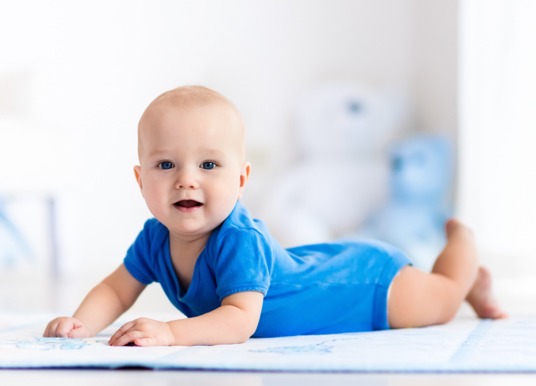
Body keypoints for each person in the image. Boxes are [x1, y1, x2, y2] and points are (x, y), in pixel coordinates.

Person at [44, 85, 506, 346]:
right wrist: (81, 323)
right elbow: (114, 288)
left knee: (440, 302)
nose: (187, 180)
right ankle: (475, 285)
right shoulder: (153, 239)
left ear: (241, 179)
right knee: (442, 300)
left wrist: (170, 331)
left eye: (209, 165)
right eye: (166, 165)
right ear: (140, 179)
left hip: (363, 286)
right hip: (321, 266)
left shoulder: (237, 238)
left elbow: (239, 321)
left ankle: (462, 247)